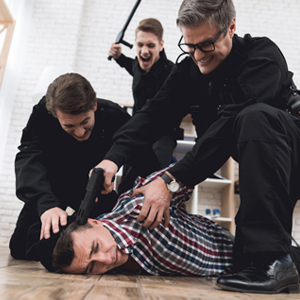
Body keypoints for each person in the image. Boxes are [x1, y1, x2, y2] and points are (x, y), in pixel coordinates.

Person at [94, 0, 300, 294]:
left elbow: (226, 129)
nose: (198, 56)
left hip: (294, 155)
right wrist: (112, 160)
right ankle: (280, 262)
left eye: (206, 45)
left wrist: (170, 181)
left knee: (254, 117)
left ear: (231, 27)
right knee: (244, 259)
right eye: (189, 46)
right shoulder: (189, 69)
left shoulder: (261, 57)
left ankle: (273, 258)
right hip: (269, 172)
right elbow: (153, 114)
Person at [9, 73, 159, 261]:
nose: (79, 132)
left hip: (96, 192)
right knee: (20, 249)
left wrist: (131, 195)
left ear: (94, 105)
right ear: (55, 116)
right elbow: (29, 156)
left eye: (85, 122)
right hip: (52, 188)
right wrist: (45, 205)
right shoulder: (42, 114)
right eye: (69, 126)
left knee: (127, 243)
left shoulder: (114, 115)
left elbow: (145, 159)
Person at [40, 167, 233, 276]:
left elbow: (196, 167)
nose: (106, 261)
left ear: (95, 222)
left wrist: (168, 184)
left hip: (234, 251)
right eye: (91, 267)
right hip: (222, 278)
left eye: (96, 247)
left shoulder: (137, 206)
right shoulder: (111, 266)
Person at [108, 18, 182, 194]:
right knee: (125, 186)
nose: (144, 51)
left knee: (155, 182)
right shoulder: (137, 65)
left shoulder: (172, 72)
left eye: (150, 45)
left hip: (162, 134)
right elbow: (129, 65)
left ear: (161, 45)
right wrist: (118, 56)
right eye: (140, 45)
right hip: (137, 132)